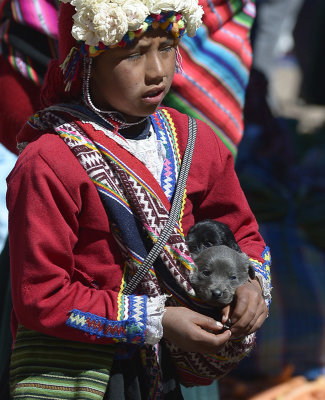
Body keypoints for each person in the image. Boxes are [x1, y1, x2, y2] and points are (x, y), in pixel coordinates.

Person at [6, 1, 271, 398]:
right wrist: (158, 318)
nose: (158, 71)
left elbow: (241, 233)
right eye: (133, 54)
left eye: (166, 47)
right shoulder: (49, 161)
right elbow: (41, 296)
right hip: (85, 373)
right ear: (87, 61)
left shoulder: (195, 143)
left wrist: (250, 285)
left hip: (176, 364)